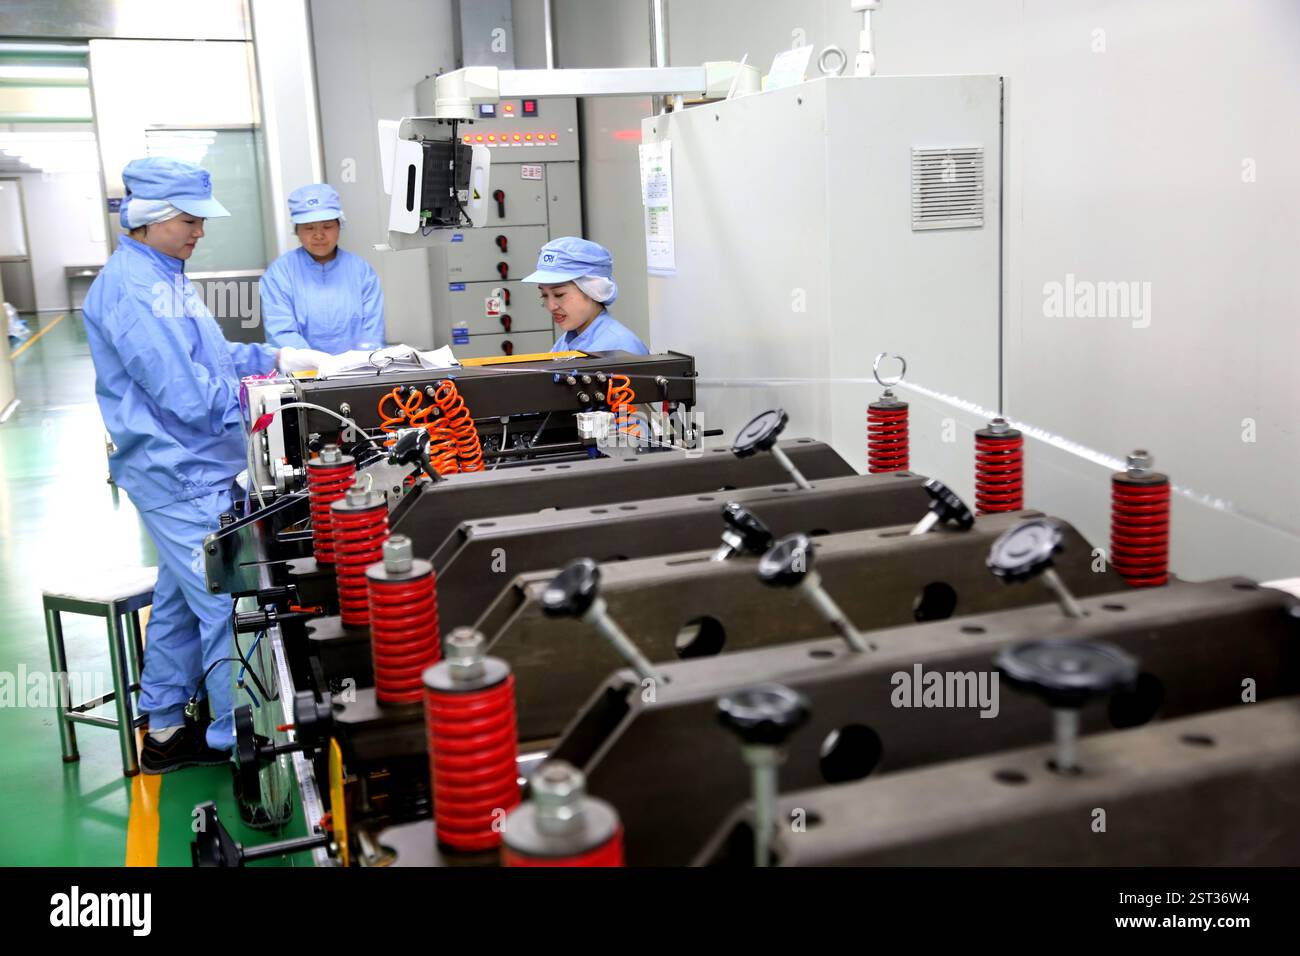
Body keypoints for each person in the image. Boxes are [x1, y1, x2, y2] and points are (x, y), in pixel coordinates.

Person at [82, 157, 329, 773]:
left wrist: (280, 357)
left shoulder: (166, 274)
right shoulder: (134, 290)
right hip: (177, 472)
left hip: (197, 467)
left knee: (176, 597)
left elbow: (211, 359)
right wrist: (264, 392)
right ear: (151, 218)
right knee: (227, 603)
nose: (200, 231)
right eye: (189, 220)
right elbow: (188, 396)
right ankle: (233, 738)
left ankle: (164, 729)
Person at [259, 183, 386, 354]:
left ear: (339, 226)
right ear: (296, 231)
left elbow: (372, 333)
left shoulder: (361, 271)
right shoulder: (279, 274)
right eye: (309, 228)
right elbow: (281, 334)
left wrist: (360, 365)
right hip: (303, 374)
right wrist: (316, 366)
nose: (319, 235)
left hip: (359, 373)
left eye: (327, 226)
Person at [522, 237, 649, 354]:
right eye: (544, 295)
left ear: (593, 289)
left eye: (559, 294)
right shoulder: (567, 341)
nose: (551, 306)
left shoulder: (621, 349)